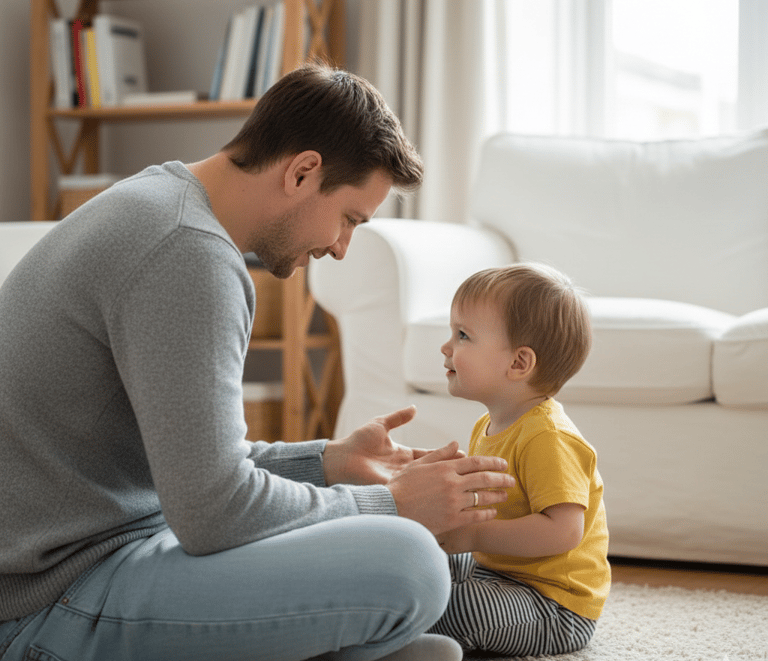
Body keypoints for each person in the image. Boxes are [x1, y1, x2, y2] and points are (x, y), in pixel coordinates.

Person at [0, 64, 516, 661]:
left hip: (115, 548)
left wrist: (330, 462)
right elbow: (213, 511)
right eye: (349, 218)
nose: (340, 247)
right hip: (50, 599)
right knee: (415, 564)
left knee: (423, 564)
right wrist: (393, 501)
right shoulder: (186, 254)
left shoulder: (162, 205)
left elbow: (194, 467)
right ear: (302, 171)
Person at [429, 263, 611, 657]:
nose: (446, 347)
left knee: (456, 606)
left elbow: (563, 532)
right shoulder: (488, 424)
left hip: (553, 604)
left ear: (518, 364)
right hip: (496, 572)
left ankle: (410, 639)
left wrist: (475, 536)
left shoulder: (549, 437)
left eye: (462, 336)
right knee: (418, 562)